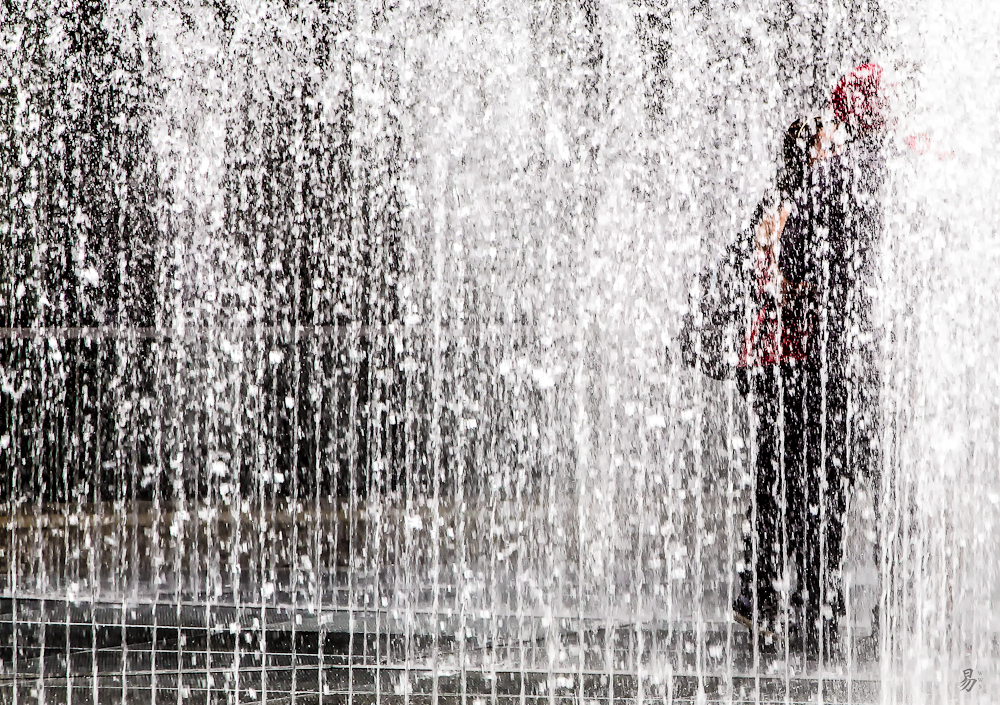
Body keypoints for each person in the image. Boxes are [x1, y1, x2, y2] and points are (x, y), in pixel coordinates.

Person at [733, 63, 889, 658]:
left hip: (774, 367)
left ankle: (774, 586)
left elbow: (754, 276)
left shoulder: (774, 205)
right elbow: (820, 288)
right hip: (806, 366)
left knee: (782, 479)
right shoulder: (815, 208)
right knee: (816, 478)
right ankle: (807, 592)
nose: (834, 145)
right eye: (824, 144)